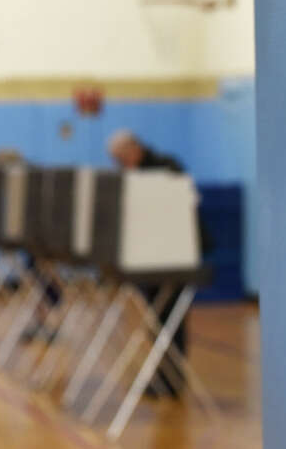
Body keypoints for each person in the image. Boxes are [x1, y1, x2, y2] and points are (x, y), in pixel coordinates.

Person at [108, 130, 198, 397]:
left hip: (174, 255)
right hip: (151, 255)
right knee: (157, 319)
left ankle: (172, 378)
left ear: (132, 150)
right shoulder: (138, 171)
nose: (119, 164)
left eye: (120, 158)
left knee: (171, 319)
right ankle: (163, 376)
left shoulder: (165, 167)